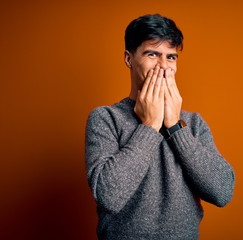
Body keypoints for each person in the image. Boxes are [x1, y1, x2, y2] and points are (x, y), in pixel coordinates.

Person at [85, 13, 235, 240]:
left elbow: (222, 192)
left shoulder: (193, 124)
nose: (163, 67)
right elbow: (109, 196)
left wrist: (175, 127)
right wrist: (150, 125)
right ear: (129, 59)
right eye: (152, 54)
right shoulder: (105, 119)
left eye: (171, 57)